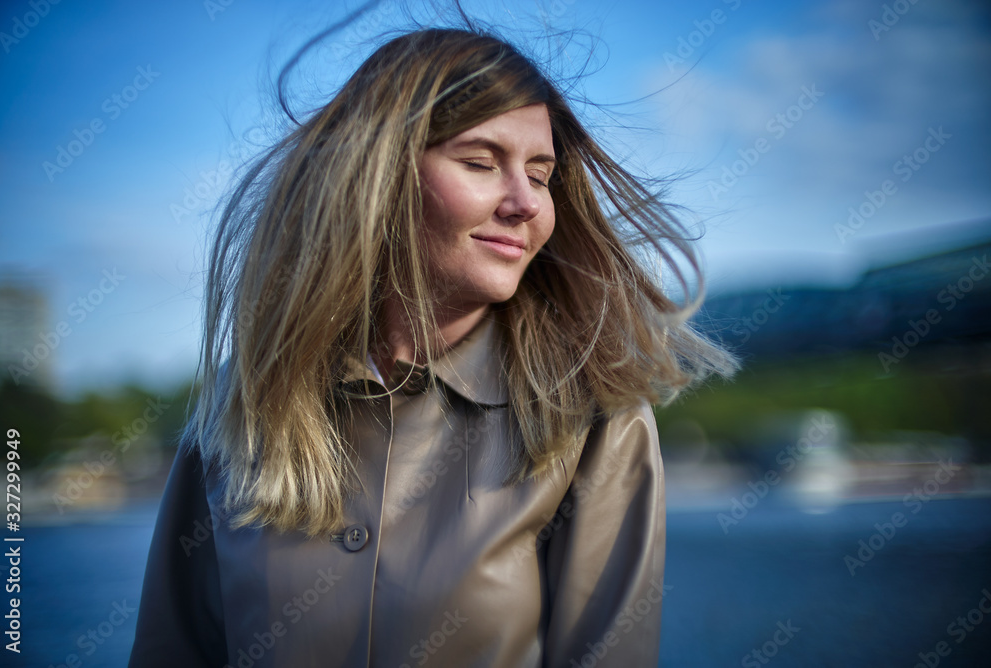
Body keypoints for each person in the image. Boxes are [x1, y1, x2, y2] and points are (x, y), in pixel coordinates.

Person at [129, 23, 735, 668]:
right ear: (375, 177)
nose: (526, 202)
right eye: (480, 163)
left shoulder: (594, 416)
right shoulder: (243, 396)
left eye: (541, 173)